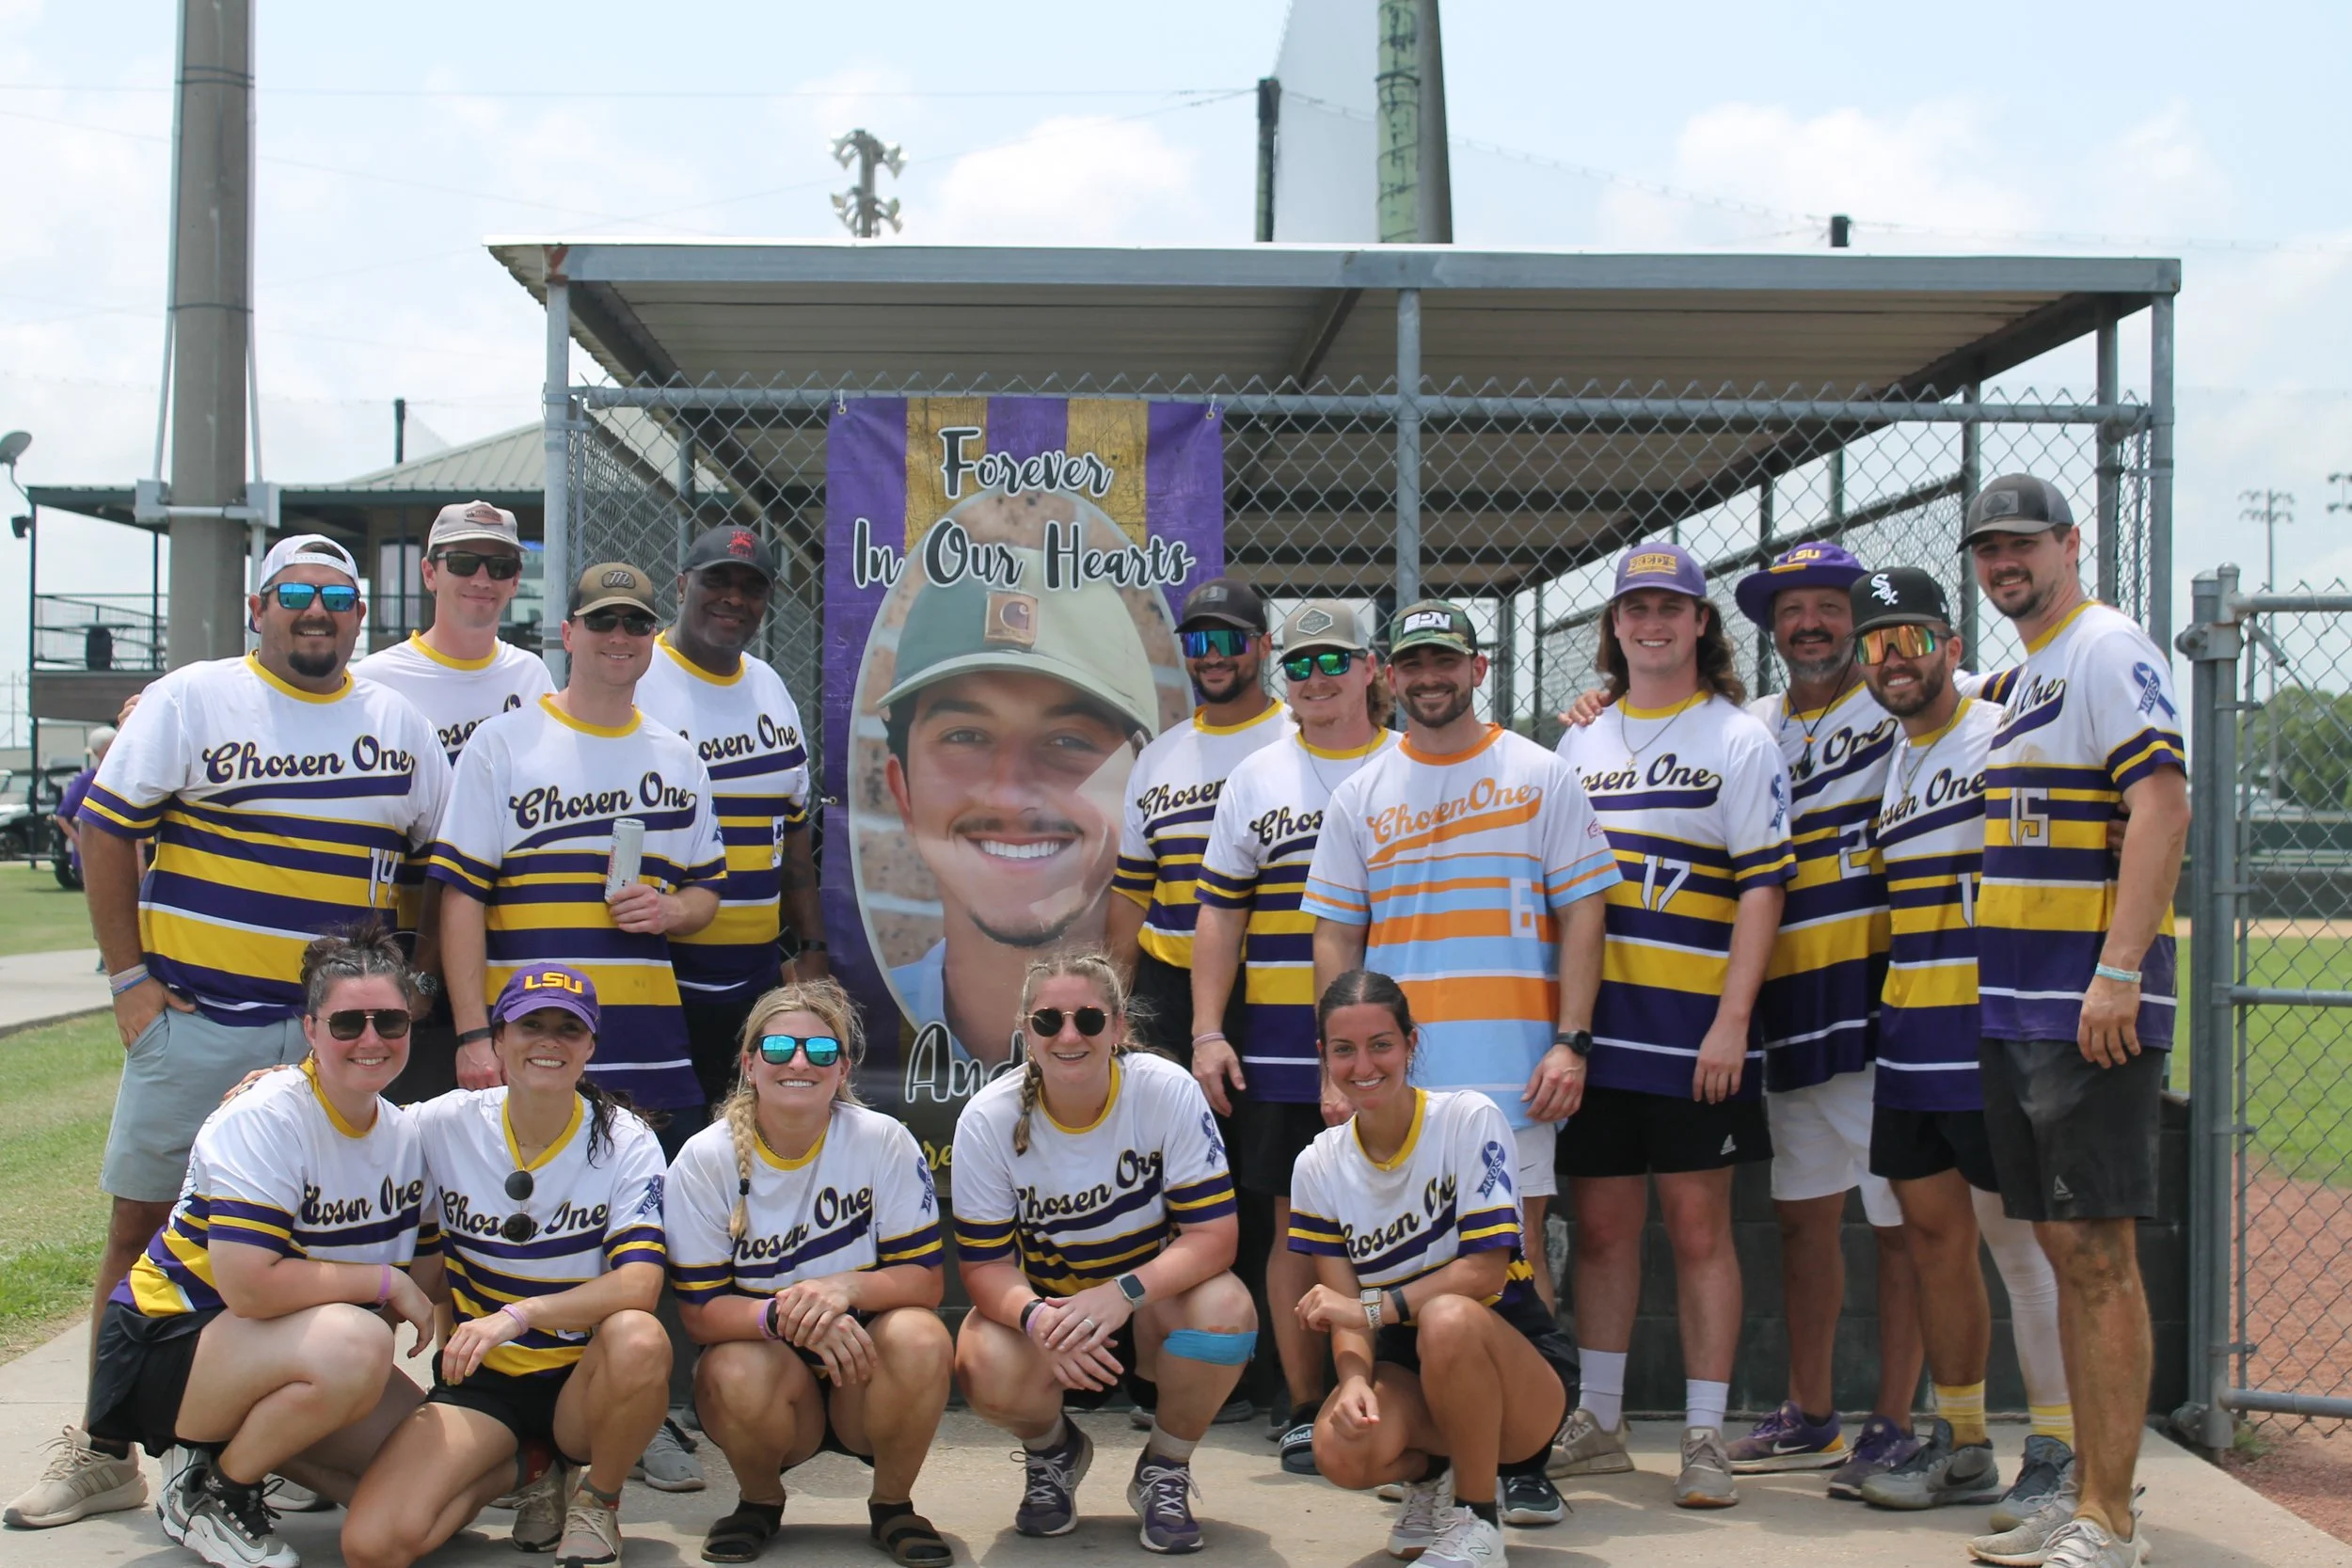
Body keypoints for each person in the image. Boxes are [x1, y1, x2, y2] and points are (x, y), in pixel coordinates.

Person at [72, 532, 450, 1402]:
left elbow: (441, 868)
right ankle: (104, 1439)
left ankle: (269, 1432)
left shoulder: (399, 724)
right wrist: (130, 979)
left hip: (340, 1038)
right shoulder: (194, 698)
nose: (314, 611)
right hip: (203, 1015)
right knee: (146, 1224)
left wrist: (416, 983)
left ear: (359, 616)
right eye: (293, 593)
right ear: (257, 608)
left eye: (335, 597)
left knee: (309, 1243)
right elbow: (105, 827)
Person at [1306, 597, 1614, 1528]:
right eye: (1413, 664)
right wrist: (1335, 1063)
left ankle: (1522, 1459)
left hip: (1512, 1069)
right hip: (1392, 1081)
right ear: (1388, 677)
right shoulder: (1361, 790)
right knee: (1410, 1266)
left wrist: (1571, 1037)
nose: (1430, 678)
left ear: (1478, 668)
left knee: (1511, 1259)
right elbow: (1334, 932)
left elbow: (1585, 914)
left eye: (1447, 661)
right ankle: (1441, 1459)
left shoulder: (1539, 771)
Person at [4, 927, 437, 1568]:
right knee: (357, 1342)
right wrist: (385, 1282)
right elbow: (249, 1284)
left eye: (389, 1021)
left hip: (267, 1349)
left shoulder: (408, 1135)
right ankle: (214, 1490)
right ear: (310, 1027)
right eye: (347, 1021)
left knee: (420, 1483)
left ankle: (242, 1447)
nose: (370, 1039)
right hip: (171, 1339)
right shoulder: (267, 1116)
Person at [1966, 476, 2188, 1568]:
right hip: (2016, 1002)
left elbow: (2162, 801)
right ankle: (2088, 1492)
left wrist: (2119, 969)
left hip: (2085, 1005)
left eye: (2019, 543)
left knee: (2096, 1252)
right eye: (1986, 549)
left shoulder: (2106, 646)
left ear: (2068, 541)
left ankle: (2109, 1516)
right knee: (2062, 1246)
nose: (2002, 562)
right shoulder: (2022, 674)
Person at [1834, 568, 2078, 1544]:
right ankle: (1965, 1437)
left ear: (1948, 640)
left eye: (1910, 638)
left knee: (2025, 1248)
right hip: (1913, 1030)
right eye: (1875, 645)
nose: (1893, 661)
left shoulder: (2001, 717)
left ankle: (2060, 1450)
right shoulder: (1895, 755)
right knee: (1936, 1241)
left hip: (1993, 1026)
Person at [1549, 542, 1793, 1510]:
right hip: (1598, 1034)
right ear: (1614, 626)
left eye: (1669, 608)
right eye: (1633, 609)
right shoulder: (1581, 739)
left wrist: (1731, 1022)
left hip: (1696, 1033)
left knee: (1698, 1228)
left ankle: (1702, 1432)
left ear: (1700, 624)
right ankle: (1601, 1422)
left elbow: (1763, 890)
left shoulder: (1736, 737)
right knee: (1603, 1229)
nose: (1651, 624)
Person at [341, 964, 674, 1568]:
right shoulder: (446, 1122)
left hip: (583, 1381)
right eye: (531, 1025)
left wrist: (518, 1316)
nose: (549, 1041)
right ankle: (526, 1468)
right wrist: (284, 1084)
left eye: (569, 1030)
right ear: (496, 1041)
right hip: (484, 1382)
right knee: (373, 1546)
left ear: (590, 1047)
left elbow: (641, 1283)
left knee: (640, 1337)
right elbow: (349, 1114)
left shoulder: (626, 1140)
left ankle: (596, 1499)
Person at [1722, 543, 1924, 1490]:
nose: (1810, 621)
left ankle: (1897, 1416)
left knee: (1901, 1224)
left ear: (1859, 618)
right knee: (1802, 1222)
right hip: (1789, 1007)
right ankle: (1811, 1411)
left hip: (1882, 999)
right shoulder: (1751, 724)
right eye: (1791, 607)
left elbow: (1982, 703)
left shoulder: (1898, 702)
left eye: (1828, 606)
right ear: (1770, 624)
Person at [950, 949, 1257, 1555]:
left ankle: (1165, 1468)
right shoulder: (988, 1118)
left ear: (1119, 1029)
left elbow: (1215, 1238)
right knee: (980, 1358)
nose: (1069, 1035)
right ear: (1025, 1032)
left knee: (1226, 1316)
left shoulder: (1165, 1089)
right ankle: (1052, 1454)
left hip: (1150, 1315)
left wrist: (1122, 1294)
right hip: (1055, 1327)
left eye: (1089, 1020)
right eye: (1048, 1022)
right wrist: (1039, 1320)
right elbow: (985, 1268)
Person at [1191, 600, 1394, 1472]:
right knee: (1292, 1224)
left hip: (1387, 1046)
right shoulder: (1257, 775)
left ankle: (1389, 1394)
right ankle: (1304, 1399)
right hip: (1278, 1039)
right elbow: (1219, 914)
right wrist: (1206, 1030)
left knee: (1389, 1219)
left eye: (1333, 663)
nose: (1315, 681)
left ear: (1370, 670)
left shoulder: (1408, 763)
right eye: (1300, 667)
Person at [426, 561, 726, 1142]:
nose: (619, 636)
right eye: (602, 621)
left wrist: (671, 912)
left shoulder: (679, 758)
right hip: (529, 1047)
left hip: (649, 1055)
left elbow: (706, 891)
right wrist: (470, 1036)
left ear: (652, 639)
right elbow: (461, 895)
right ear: (568, 635)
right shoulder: (502, 743)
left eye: (636, 624)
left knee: (647, 1226)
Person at [664, 978, 952, 1566]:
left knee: (921, 1334)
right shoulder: (705, 1156)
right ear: (749, 1063)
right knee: (733, 1366)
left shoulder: (881, 1140)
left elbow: (924, 1280)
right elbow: (699, 1315)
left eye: (821, 1052)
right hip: (767, 1368)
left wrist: (841, 1288)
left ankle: (894, 1505)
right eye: (778, 1049)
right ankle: (759, 1502)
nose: (799, 1062)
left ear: (843, 1069)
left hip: (860, 1370)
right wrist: (790, 1316)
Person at [1294, 970, 1577, 1568]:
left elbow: (1485, 1275)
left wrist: (1369, 1308)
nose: (1363, 1064)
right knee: (1338, 1449)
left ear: (1411, 1045)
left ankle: (1478, 1522)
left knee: (1450, 1316)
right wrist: (1350, 1383)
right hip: (1413, 1373)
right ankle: (1434, 1480)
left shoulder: (1467, 1120)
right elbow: (1345, 1310)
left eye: (1381, 1044)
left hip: (1518, 1377)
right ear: (1323, 1055)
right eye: (1343, 1049)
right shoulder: (1317, 1164)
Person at [877, 553, 1162, 1070]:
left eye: (1069, 740)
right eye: (965, 736)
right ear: (904, 793)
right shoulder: (870, 1014)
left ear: (1142, 786)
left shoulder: (1186, 1022)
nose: (1010, 795)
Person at [352, 499, 555, 1105]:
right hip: (405, 936)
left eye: (499, 566)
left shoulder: (532, 678)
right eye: (465, 561)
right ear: (430, 573)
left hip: (506, 934)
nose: (482, 579)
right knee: (401, 1122)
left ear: (517, 580)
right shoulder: (376, 680)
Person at [634, 525, 823, 1101]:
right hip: (661, 972)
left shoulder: (769, 687)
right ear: (682, 585)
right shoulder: (638, 680)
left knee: (742, 1143)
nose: (734, 598)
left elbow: (792, 834)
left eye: (752, 586)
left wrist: (811, 946)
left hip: (755, 977)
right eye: (718, 580)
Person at [1107, 575, 1287, 1057]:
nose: (1212, 656)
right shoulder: (1158, 757)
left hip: (1268, 979)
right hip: (1166, 986)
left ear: (1264, 645)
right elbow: (1131, 891)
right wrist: (1114, 1005)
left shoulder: (1298, 740)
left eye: (1229, 640)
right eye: (1198, 641)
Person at [54, 724, 115, 889]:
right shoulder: (86, 781)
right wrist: (77, 840)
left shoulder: (123, 777)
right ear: (100, 752)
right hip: (92, 855)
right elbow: (62, 816)